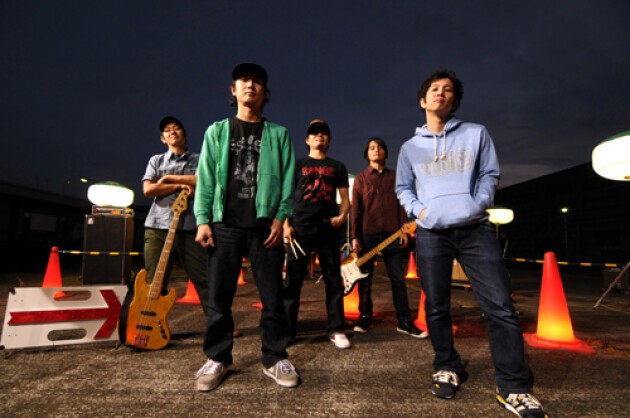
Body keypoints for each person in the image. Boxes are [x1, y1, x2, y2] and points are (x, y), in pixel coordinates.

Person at [396, 69, 547, 418]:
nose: (441, 93)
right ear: (422, 101)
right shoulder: (409, 148)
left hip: (475, 229)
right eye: (435, 89)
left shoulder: (476, 133)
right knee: (436, 306)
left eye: (448, 90)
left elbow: (490, 174)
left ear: (455, 101)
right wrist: (421, 212)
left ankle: (513, 387)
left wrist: (478, 204)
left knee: (500, 306)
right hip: (432, 232)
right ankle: (447, 365)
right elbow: (403, 187)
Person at [193, 63, 299, 391]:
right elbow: (205, 178)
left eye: (257, 81)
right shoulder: (217, 131)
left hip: (265, 226)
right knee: (219, 296)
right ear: (233, 89)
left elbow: (289, 181)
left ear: (265, 92)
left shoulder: (279, 134)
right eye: (243, 80)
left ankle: (274, 357)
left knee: (272, 296)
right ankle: (218, 358)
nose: (250, 85)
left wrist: (280, 218)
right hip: (224, 224)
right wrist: (202, 219)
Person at [283, 119, 351, 349]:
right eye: (314, 133)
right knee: (293, 281)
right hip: (300, 227)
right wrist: (286, 225)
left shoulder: (338, 166)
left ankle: (337, 329)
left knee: (333, 280)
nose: (319, 136)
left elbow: (345, 198)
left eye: (323, 133)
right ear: (307, 140)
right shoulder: (297, 164)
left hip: (327, 228)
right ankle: (288, 330)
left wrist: (342, 216)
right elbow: (286, 197)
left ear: (329, 140)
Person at [350, 137, 428, 339]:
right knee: (365, 279)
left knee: (398, 279)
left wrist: (404, 230)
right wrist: (355, 237)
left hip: (393, 234)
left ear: (385, 152)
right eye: (372, 148)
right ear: (367, 154)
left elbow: (402, 204)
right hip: (368, 235)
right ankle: (365, 317)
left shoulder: (395, 177)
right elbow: (356, 210)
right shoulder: (361, 179)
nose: (376, 150)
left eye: (380, 147)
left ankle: (404, 321)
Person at [142, 116, 208, 316]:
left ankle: (219, 326)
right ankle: (151, 324)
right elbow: (148, 189)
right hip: (158, 227)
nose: (172, 131)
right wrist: (179, 185)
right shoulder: (156, 160)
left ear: (185, 134)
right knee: (154, 282)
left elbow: (205, 181)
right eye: (167, 130)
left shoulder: (199, 159)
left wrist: (168, 179)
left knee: (205, 280)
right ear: (163, 138)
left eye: (176, 128)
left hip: (191, 227)